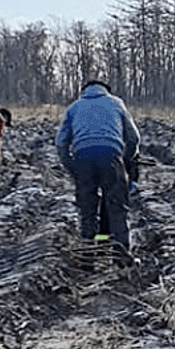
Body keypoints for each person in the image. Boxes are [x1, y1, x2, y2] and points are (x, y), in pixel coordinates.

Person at [56, 79, 141, 268]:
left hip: (83, 158)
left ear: (83, 91)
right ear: (106, 90)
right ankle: (122, 259)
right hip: (111, 156)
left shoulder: (74, 108)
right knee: (117, 208)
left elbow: (61, 144)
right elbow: (134, 138)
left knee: (87, 210)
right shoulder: (116, 103)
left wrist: (72, 167)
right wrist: (124, 159)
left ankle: (88, 259)